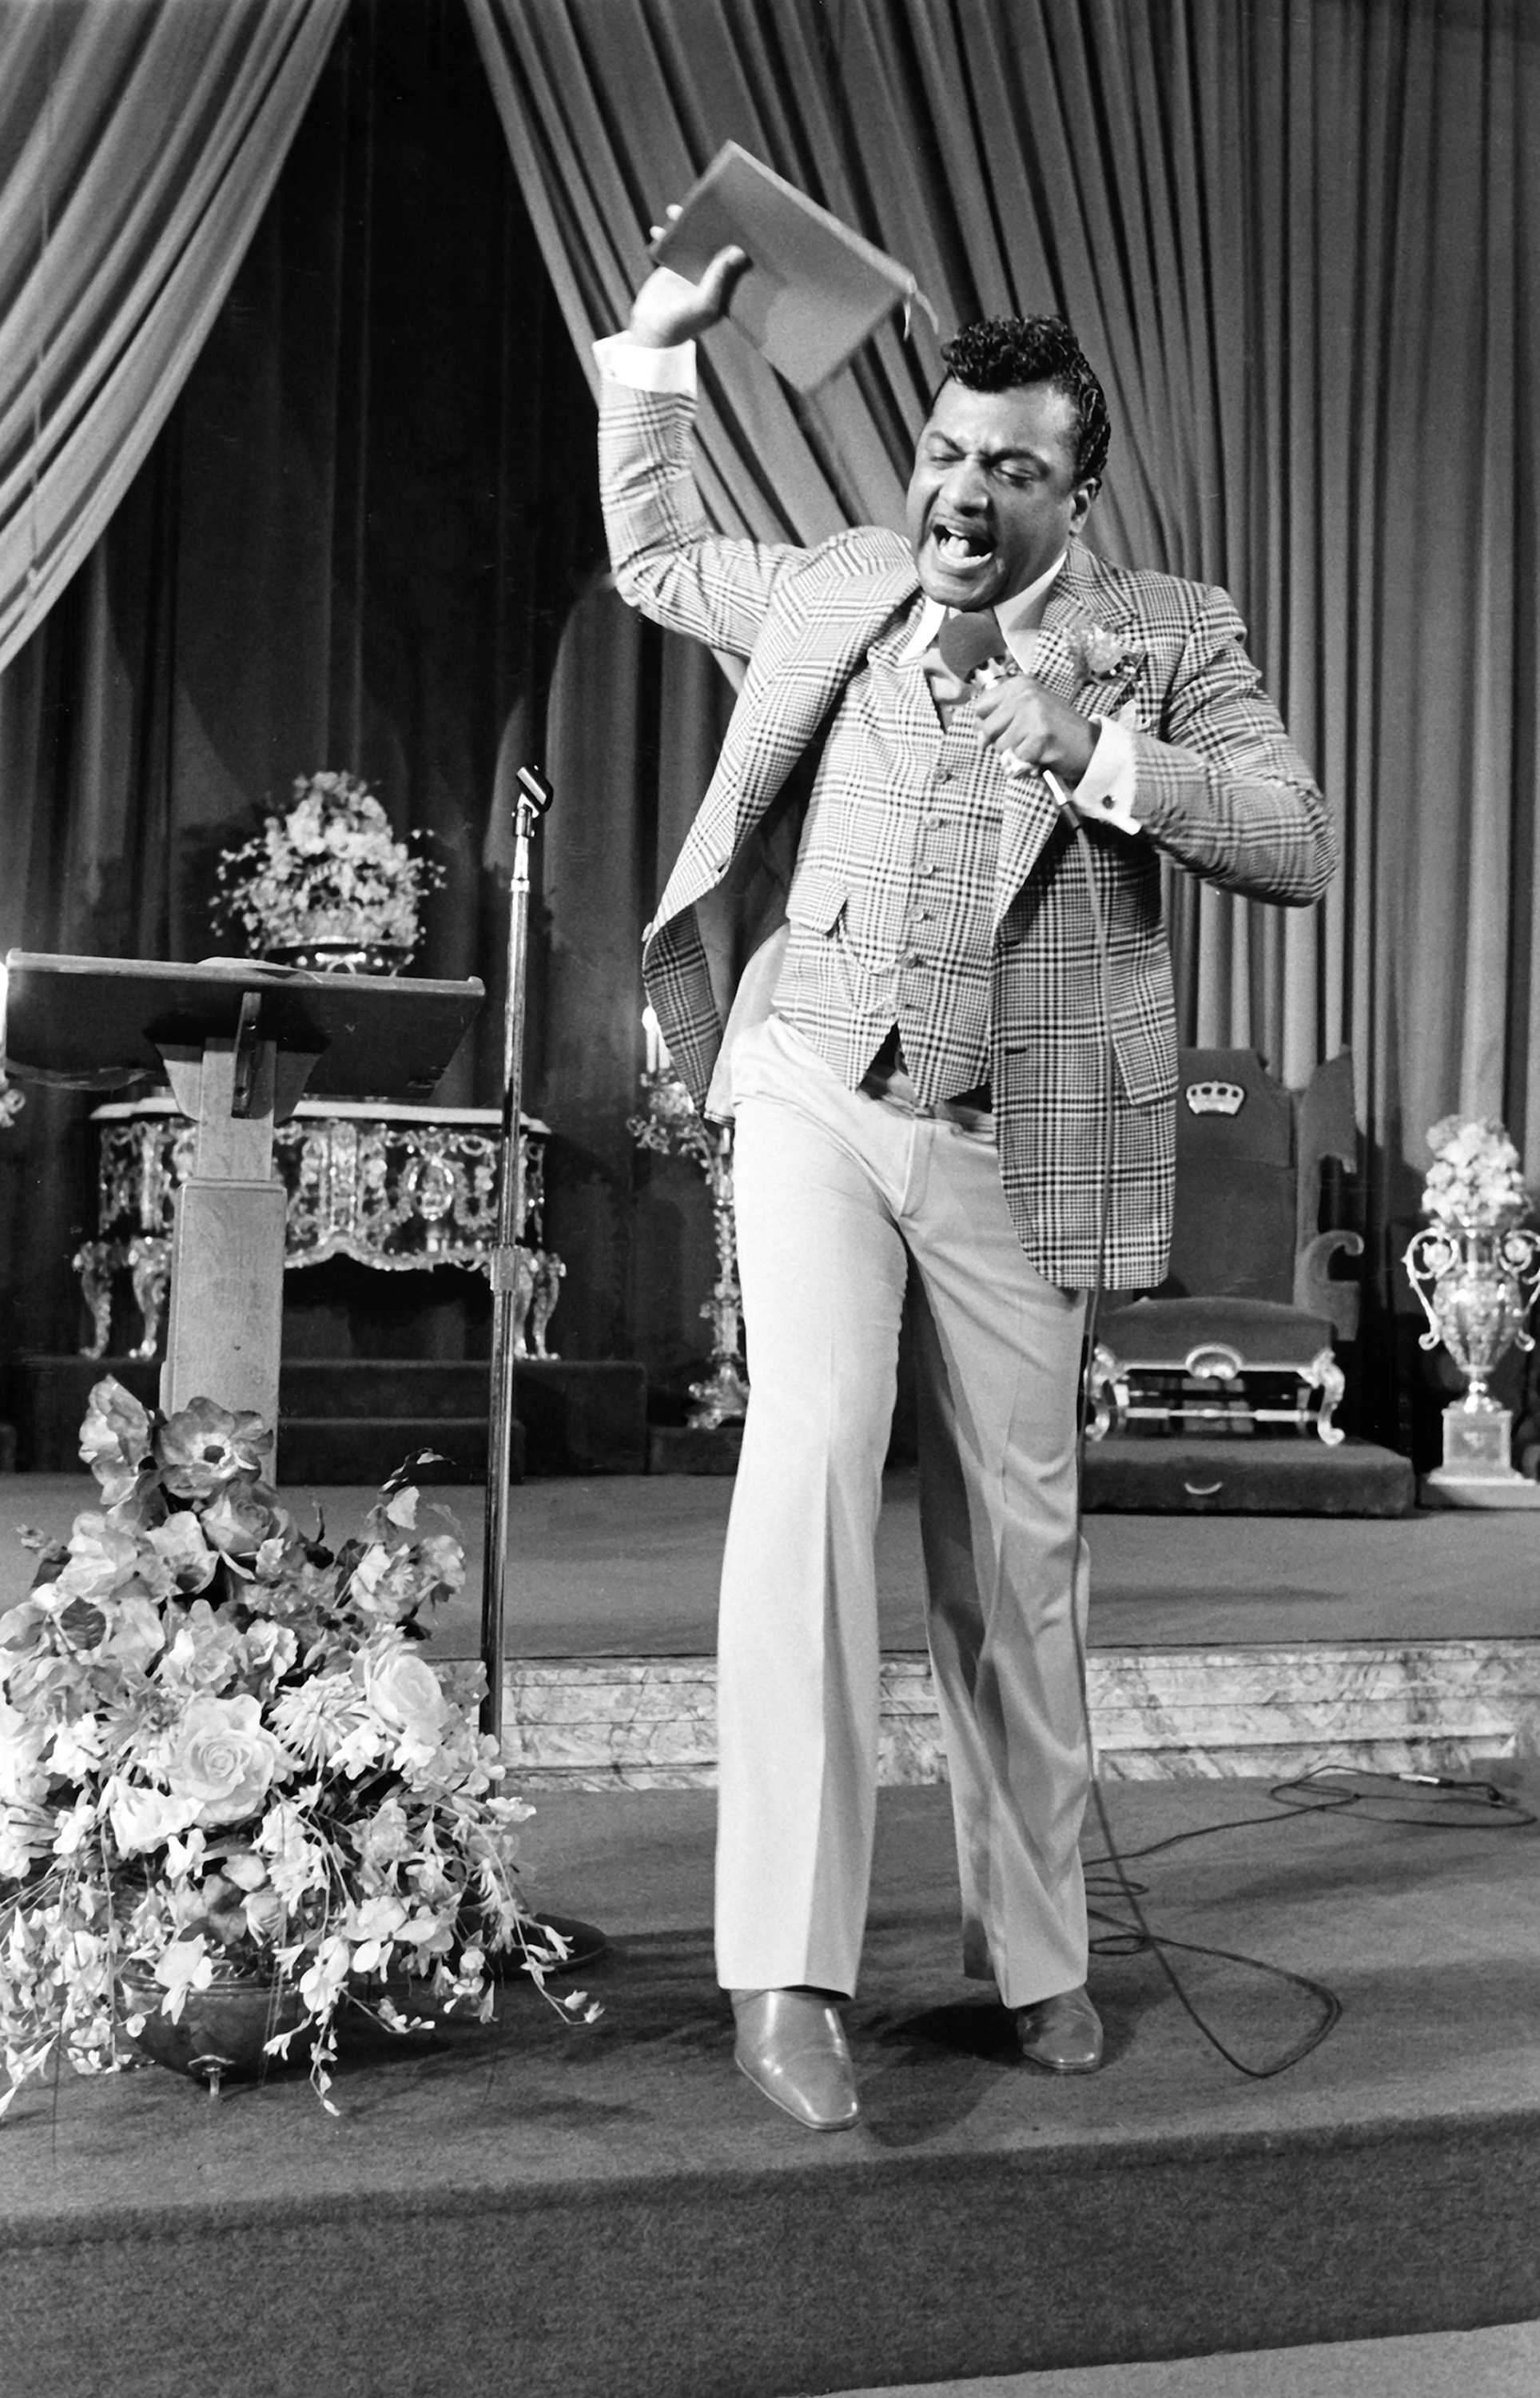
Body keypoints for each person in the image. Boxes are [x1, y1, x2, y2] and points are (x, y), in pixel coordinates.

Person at [595, 241, 1335, 2132]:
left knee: (1014, 1556)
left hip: (1024, 1146)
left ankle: (1040, 1955)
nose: (958, 492)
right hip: (820, 1087)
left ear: (1073, 497)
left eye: (1009, 469)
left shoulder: (1167, 633)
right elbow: (664, 560)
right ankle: (786, 1972)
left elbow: (1295, 836)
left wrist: (1101, 752)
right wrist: (655, 367)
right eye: (943, 452)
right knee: (810, 1455)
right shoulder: (839, 582)